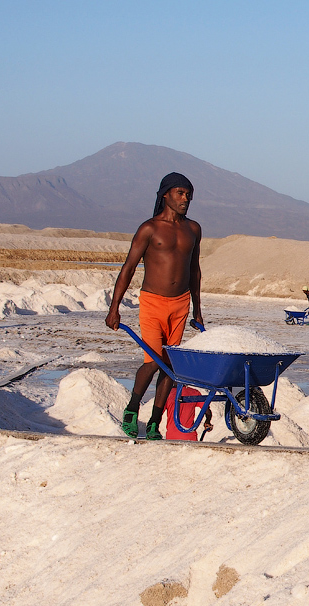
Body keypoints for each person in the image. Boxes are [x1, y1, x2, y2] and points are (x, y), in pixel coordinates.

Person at [106, 172, 203, 440]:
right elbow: (127, 268)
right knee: (152, 361)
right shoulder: (149, 228)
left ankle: (154, 423)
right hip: (152, 302)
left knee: (170, 366)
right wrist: (114, 308)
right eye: (180, 193)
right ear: (165, 195)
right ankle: (132, 410)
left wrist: (197, 309)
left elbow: (194, 271)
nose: (186, 199)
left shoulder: (193, 229)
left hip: (181, 304)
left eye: (188, 195)